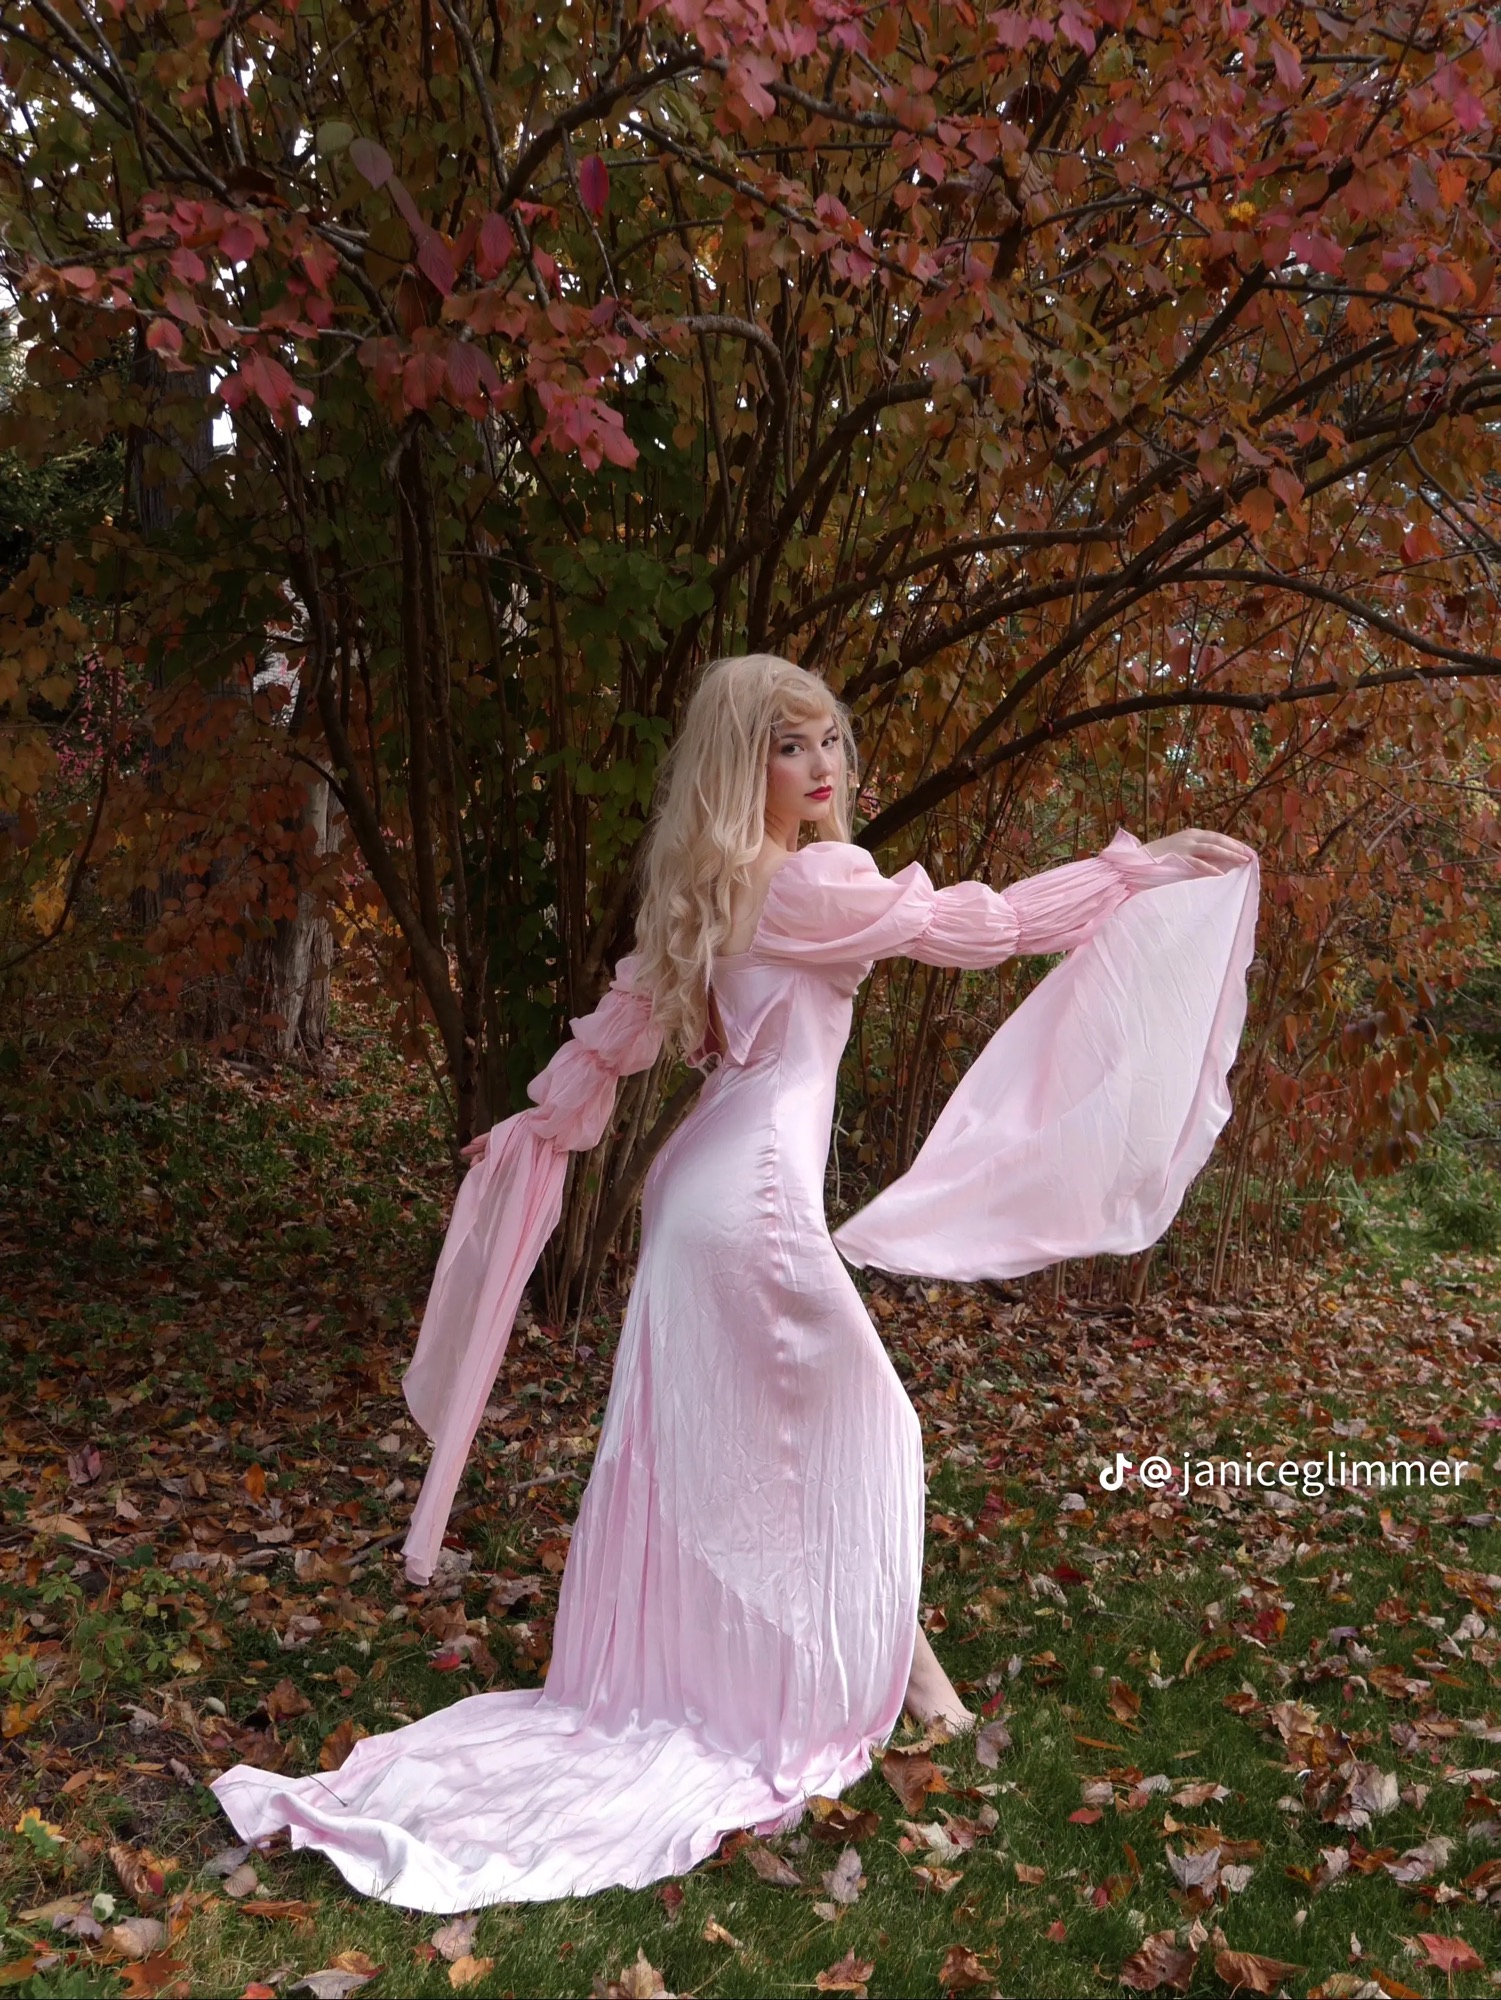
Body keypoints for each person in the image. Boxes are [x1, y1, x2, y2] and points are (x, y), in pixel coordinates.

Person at [212, 653, 1257, 1911]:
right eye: (787, 746)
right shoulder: (807, 883)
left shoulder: (713, 886)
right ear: (738, 763)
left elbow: (618, 1031)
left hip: (702, 1192)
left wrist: (546, 1117)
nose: (820, 765)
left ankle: (909, 1681)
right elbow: (976, 927)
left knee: (760, 1454)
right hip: (748, 1195)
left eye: (827, 741)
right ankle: (893, 1685)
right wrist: (1133, 869)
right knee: (867, 1425)